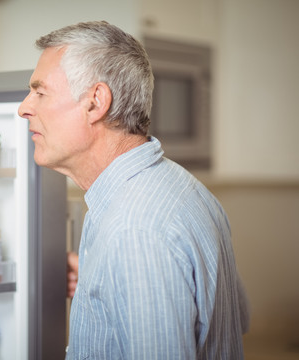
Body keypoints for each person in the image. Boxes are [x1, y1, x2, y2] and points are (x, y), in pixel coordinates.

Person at [18, 21, 249, 359]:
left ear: (96, 102)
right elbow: (236, 315)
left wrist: (130, 259)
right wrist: (103, 279)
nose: (24, 107)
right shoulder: (182, 187)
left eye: (40, 92)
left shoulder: (133, 229)